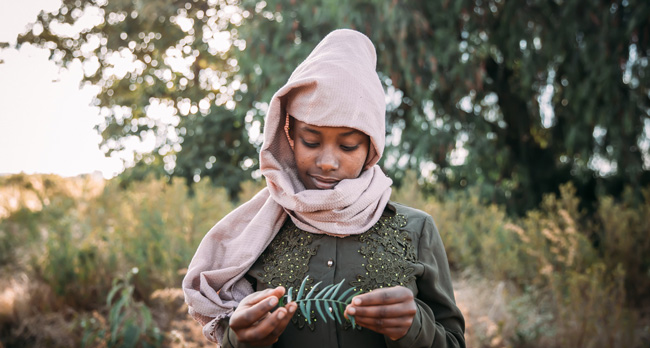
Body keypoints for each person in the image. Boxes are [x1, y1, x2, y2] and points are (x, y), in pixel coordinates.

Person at [182, 29, 465, 348]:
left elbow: (453, 341)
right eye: (311, 141)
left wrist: (414, 326)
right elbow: (235, 335)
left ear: (371, 147)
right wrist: (239, 339)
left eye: (348, 146)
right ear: (289, 136)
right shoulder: (255, 232)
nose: (328, 162)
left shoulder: (415, 229)